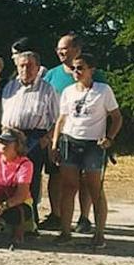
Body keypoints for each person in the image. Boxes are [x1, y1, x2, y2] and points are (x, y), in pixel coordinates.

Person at [52, 53, 122, 248]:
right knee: (68, 187)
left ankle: (99, 233)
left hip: (93, 144)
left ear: (92, 69)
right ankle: (65, 231)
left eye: (81, 67)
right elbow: (61, 119)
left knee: (95, 188)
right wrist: (55, 144)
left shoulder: (103, 90)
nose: (77, 72)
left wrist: (109, 138)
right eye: (74, 68)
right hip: (70, 141)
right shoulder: (67, 91)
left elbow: (116, 117)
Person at [42, 32, 105, 233]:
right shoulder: (51, 74)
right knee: (57, 176)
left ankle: (84, 218)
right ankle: (56, 215)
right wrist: (52, 139)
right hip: (61, 135)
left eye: (65, 47)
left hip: (90, 138)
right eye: (58, 48)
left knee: (87, 180)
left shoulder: (98, 77)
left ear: (77, 49)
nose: (60, 51)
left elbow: (108, 108)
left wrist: (109, 137)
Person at [0, 50, 59, 217]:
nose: (25, 69)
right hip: (10, 135)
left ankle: (30, 218)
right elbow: (4, 114)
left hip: (34, 137)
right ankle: (10, 217)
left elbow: (57, 119)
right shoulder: (10, 87)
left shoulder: (47, 90)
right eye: (21, 66)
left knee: (29, 179)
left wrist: (46, 139)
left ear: (38, 67)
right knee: (9, 177)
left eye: (29, 66)